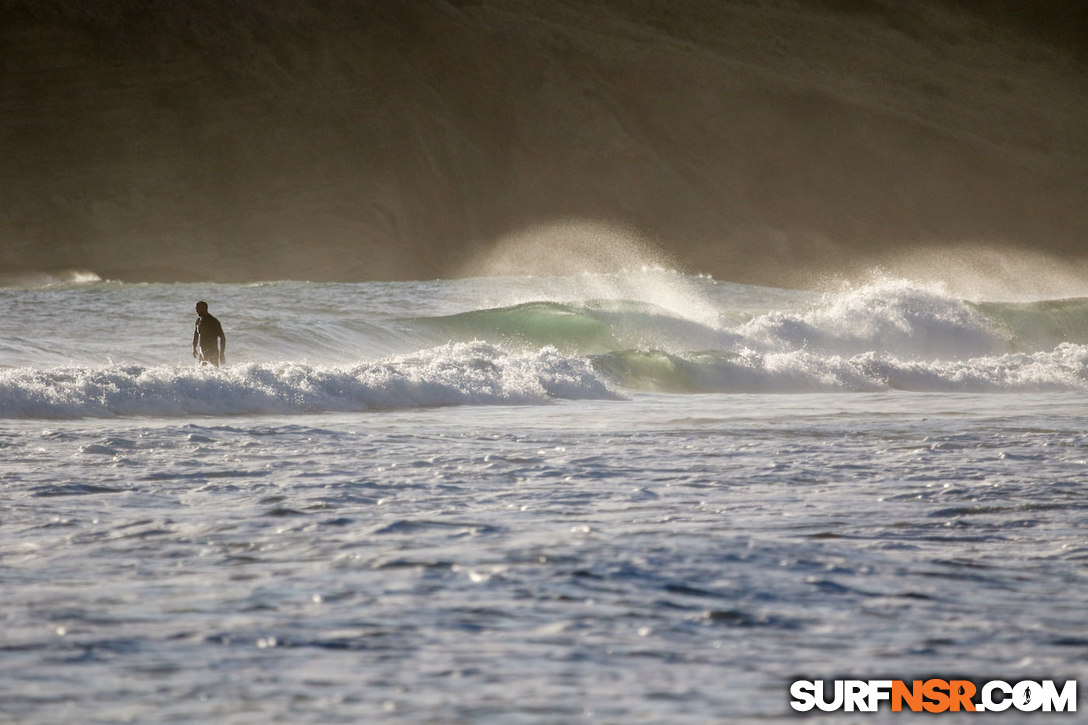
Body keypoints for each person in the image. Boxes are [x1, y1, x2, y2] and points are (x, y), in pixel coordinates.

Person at [192, 300, 226, 367]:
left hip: (212, 352)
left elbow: (222, 337)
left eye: (198, 309)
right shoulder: (198, 321)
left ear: (204, 308)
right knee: (202, 374)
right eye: (196, 309)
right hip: (202, 353)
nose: (196, 311)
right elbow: (196, 335)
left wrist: (222, 353)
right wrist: (194, 348)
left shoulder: (213, 321)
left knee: (214, 372)